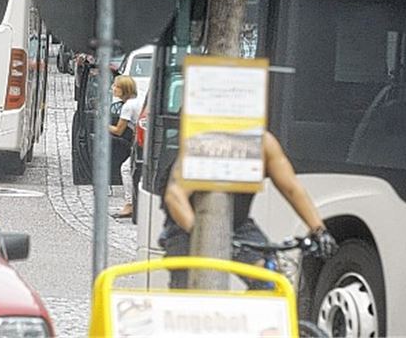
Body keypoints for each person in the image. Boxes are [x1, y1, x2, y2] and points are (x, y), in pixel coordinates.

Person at [160, 131, 337, 289]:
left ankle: (250, 321)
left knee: (272, 280)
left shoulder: (262, 143)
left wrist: (319, 230)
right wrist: (205, 236)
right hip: (188, 226)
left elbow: (292, 189)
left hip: (238, 225)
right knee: (190, 297)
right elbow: (175, 197)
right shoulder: (204, 140)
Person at [109, 75, 141, 218]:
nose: (113, 88)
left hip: (142, 143)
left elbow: (118, 130)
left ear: (124, 90)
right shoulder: (136, 102)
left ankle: (130, 205)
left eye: (116, 86)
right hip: (142, 141)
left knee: (126, 169)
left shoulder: (128, 106)